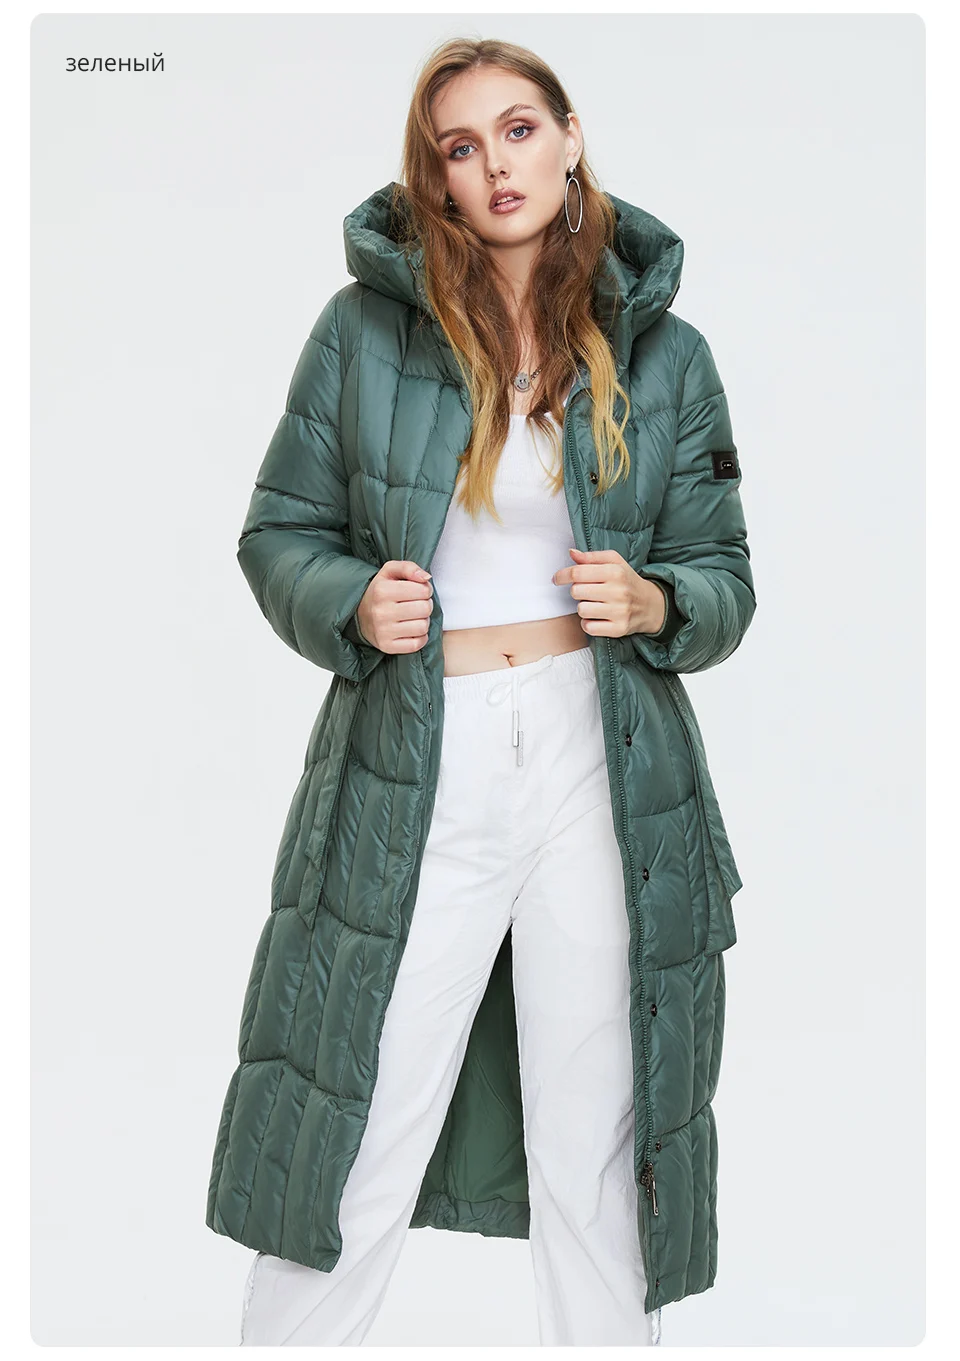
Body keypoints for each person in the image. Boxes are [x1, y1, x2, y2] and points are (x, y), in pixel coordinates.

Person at [205, 36, 756, 1349]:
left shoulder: (666, 356)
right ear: (437, 177)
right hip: (420, 758)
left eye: (518, 129)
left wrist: (659, 602)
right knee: (356, 1119)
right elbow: (278, 534)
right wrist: (351, 600)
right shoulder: (363, 334)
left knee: (597, 1142)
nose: (497, 164)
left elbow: (724, 573)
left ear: (569, 139)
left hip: (598, 760)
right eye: (461, 146)